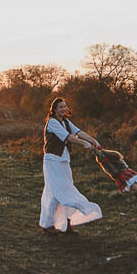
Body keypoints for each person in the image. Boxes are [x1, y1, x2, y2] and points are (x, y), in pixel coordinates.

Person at [39, 97, 103, 235]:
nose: (63, 109)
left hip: (63, 161)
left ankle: (65, 223)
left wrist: (93, 140)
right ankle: (48, 225)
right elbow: (67, 137)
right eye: (60, 107)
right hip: (52, 161)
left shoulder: (66, 122)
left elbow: (78, 132)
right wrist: (82, 143)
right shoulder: (52, 123)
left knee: (66, 189)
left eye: (64, 106)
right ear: (54, 109)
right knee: (55, 192)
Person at [92, 147, 137, 213]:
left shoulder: (106, 163)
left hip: (123, 176)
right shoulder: (114, 156)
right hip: (129, 171)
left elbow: (113, 173)